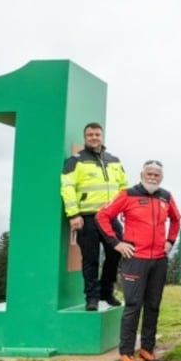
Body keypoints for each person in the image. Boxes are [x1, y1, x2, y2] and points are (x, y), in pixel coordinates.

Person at [96, 160, 181, 361]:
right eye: (149, 173)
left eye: (156, 174)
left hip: (159, 259)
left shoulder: (166, 196)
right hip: (135, 259)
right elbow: (102, 216)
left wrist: (170, 241)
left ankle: (147, 349)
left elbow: (177, 220)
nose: (152, 177)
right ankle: (126, 352)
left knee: (153, 305)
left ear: (161, 177)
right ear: (142, 174)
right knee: (133, 305)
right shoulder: (128, 194)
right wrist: (116, 243)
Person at [61, 122, 128, 311]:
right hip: (87, 217)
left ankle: (107, 292)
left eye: (97, 134)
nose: (94, 138)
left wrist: (124, 210)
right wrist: (73, 214)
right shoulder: (76, 160)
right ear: (85, 137)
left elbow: (124, 187)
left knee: (116, 253)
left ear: (102, 136)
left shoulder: (114, 160)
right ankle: (91, 297)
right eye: (90, 135)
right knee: (90, 258)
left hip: (110, 217)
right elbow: (67, 187)